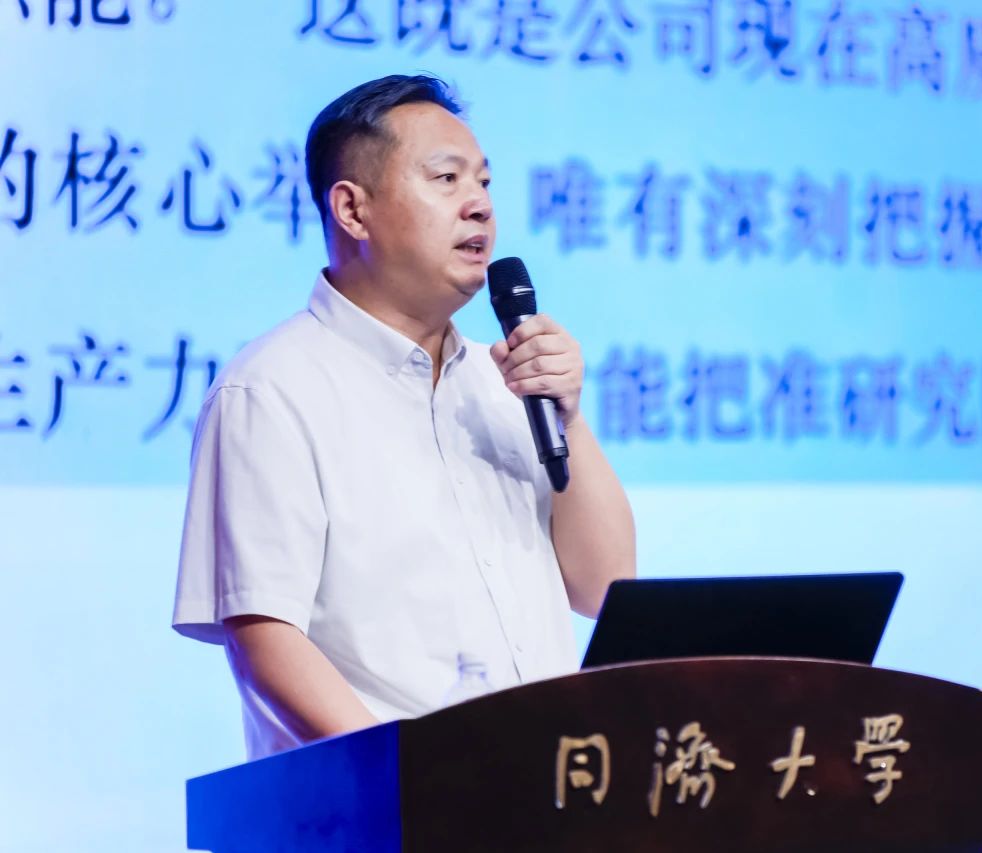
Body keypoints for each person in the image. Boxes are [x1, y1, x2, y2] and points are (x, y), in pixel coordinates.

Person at [171, 74, 636, 759]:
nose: (479, 205)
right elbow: (265, 639)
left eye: (484, 182)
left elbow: (604, 588)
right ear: (352, 210)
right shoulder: (271, 390)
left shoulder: (503, 383)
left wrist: (567, 416)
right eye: (446, 179)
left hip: (541, 790)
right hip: (382, 801)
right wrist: (409, 778)